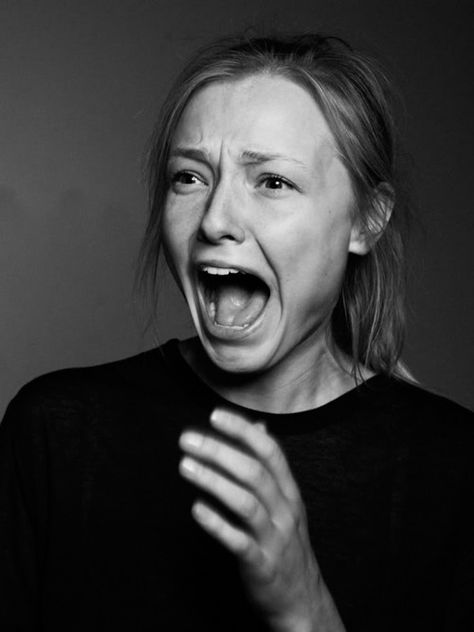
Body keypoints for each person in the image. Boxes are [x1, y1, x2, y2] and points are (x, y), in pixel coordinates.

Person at [0, 33, 472, 632]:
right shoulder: (54, 433)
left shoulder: (452, 471)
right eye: (189, 178)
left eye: (272, 182)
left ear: (366, 219)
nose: (216, 221)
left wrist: (304, 609)